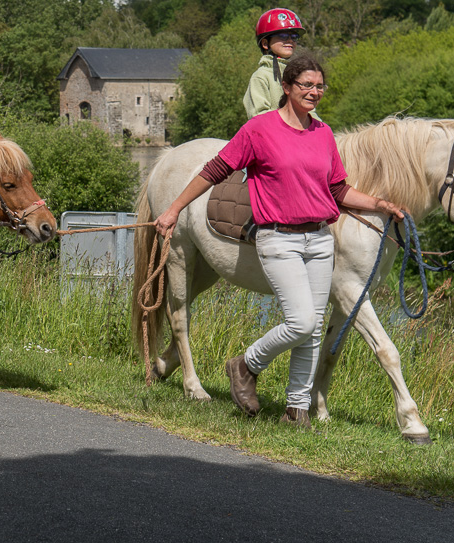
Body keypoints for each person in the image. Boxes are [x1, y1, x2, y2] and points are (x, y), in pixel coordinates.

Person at [155, 54, 404, 428]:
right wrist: (174, 208)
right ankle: (245, 364)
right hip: (278, 239)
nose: (314, 92)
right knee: (302, 322)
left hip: (320, 239)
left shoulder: (322, 133)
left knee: (314, 328)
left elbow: (336, 188)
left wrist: (381, 205)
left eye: (319, 86)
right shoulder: (260, 130)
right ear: (286, 87)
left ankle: (296, 409)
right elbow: (215, 169)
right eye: (306, 85)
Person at [242, 7, 313, 119]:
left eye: (294, 37)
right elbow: (258, 117)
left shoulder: (298, 76)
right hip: (270, 134)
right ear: (265, 43)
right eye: (283, 36)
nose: (290, 40)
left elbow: (310, 113)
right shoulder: (261, 77)